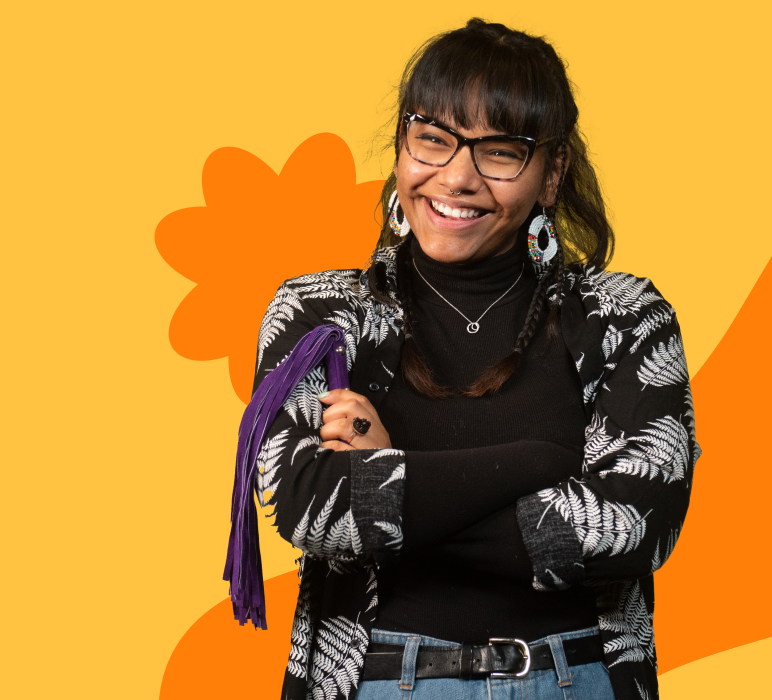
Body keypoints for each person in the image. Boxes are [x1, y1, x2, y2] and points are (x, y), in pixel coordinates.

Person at [249, 18, 700, 700]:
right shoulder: (319, 315)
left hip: (574, 680)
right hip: (379, 681)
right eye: (433, 138)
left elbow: (636, 525)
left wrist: (393, 470)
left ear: (552, 175)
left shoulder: (626, 317)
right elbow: (311, 507)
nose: (456, 177)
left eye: (499, 152)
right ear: (403, 147)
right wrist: (543, 460)